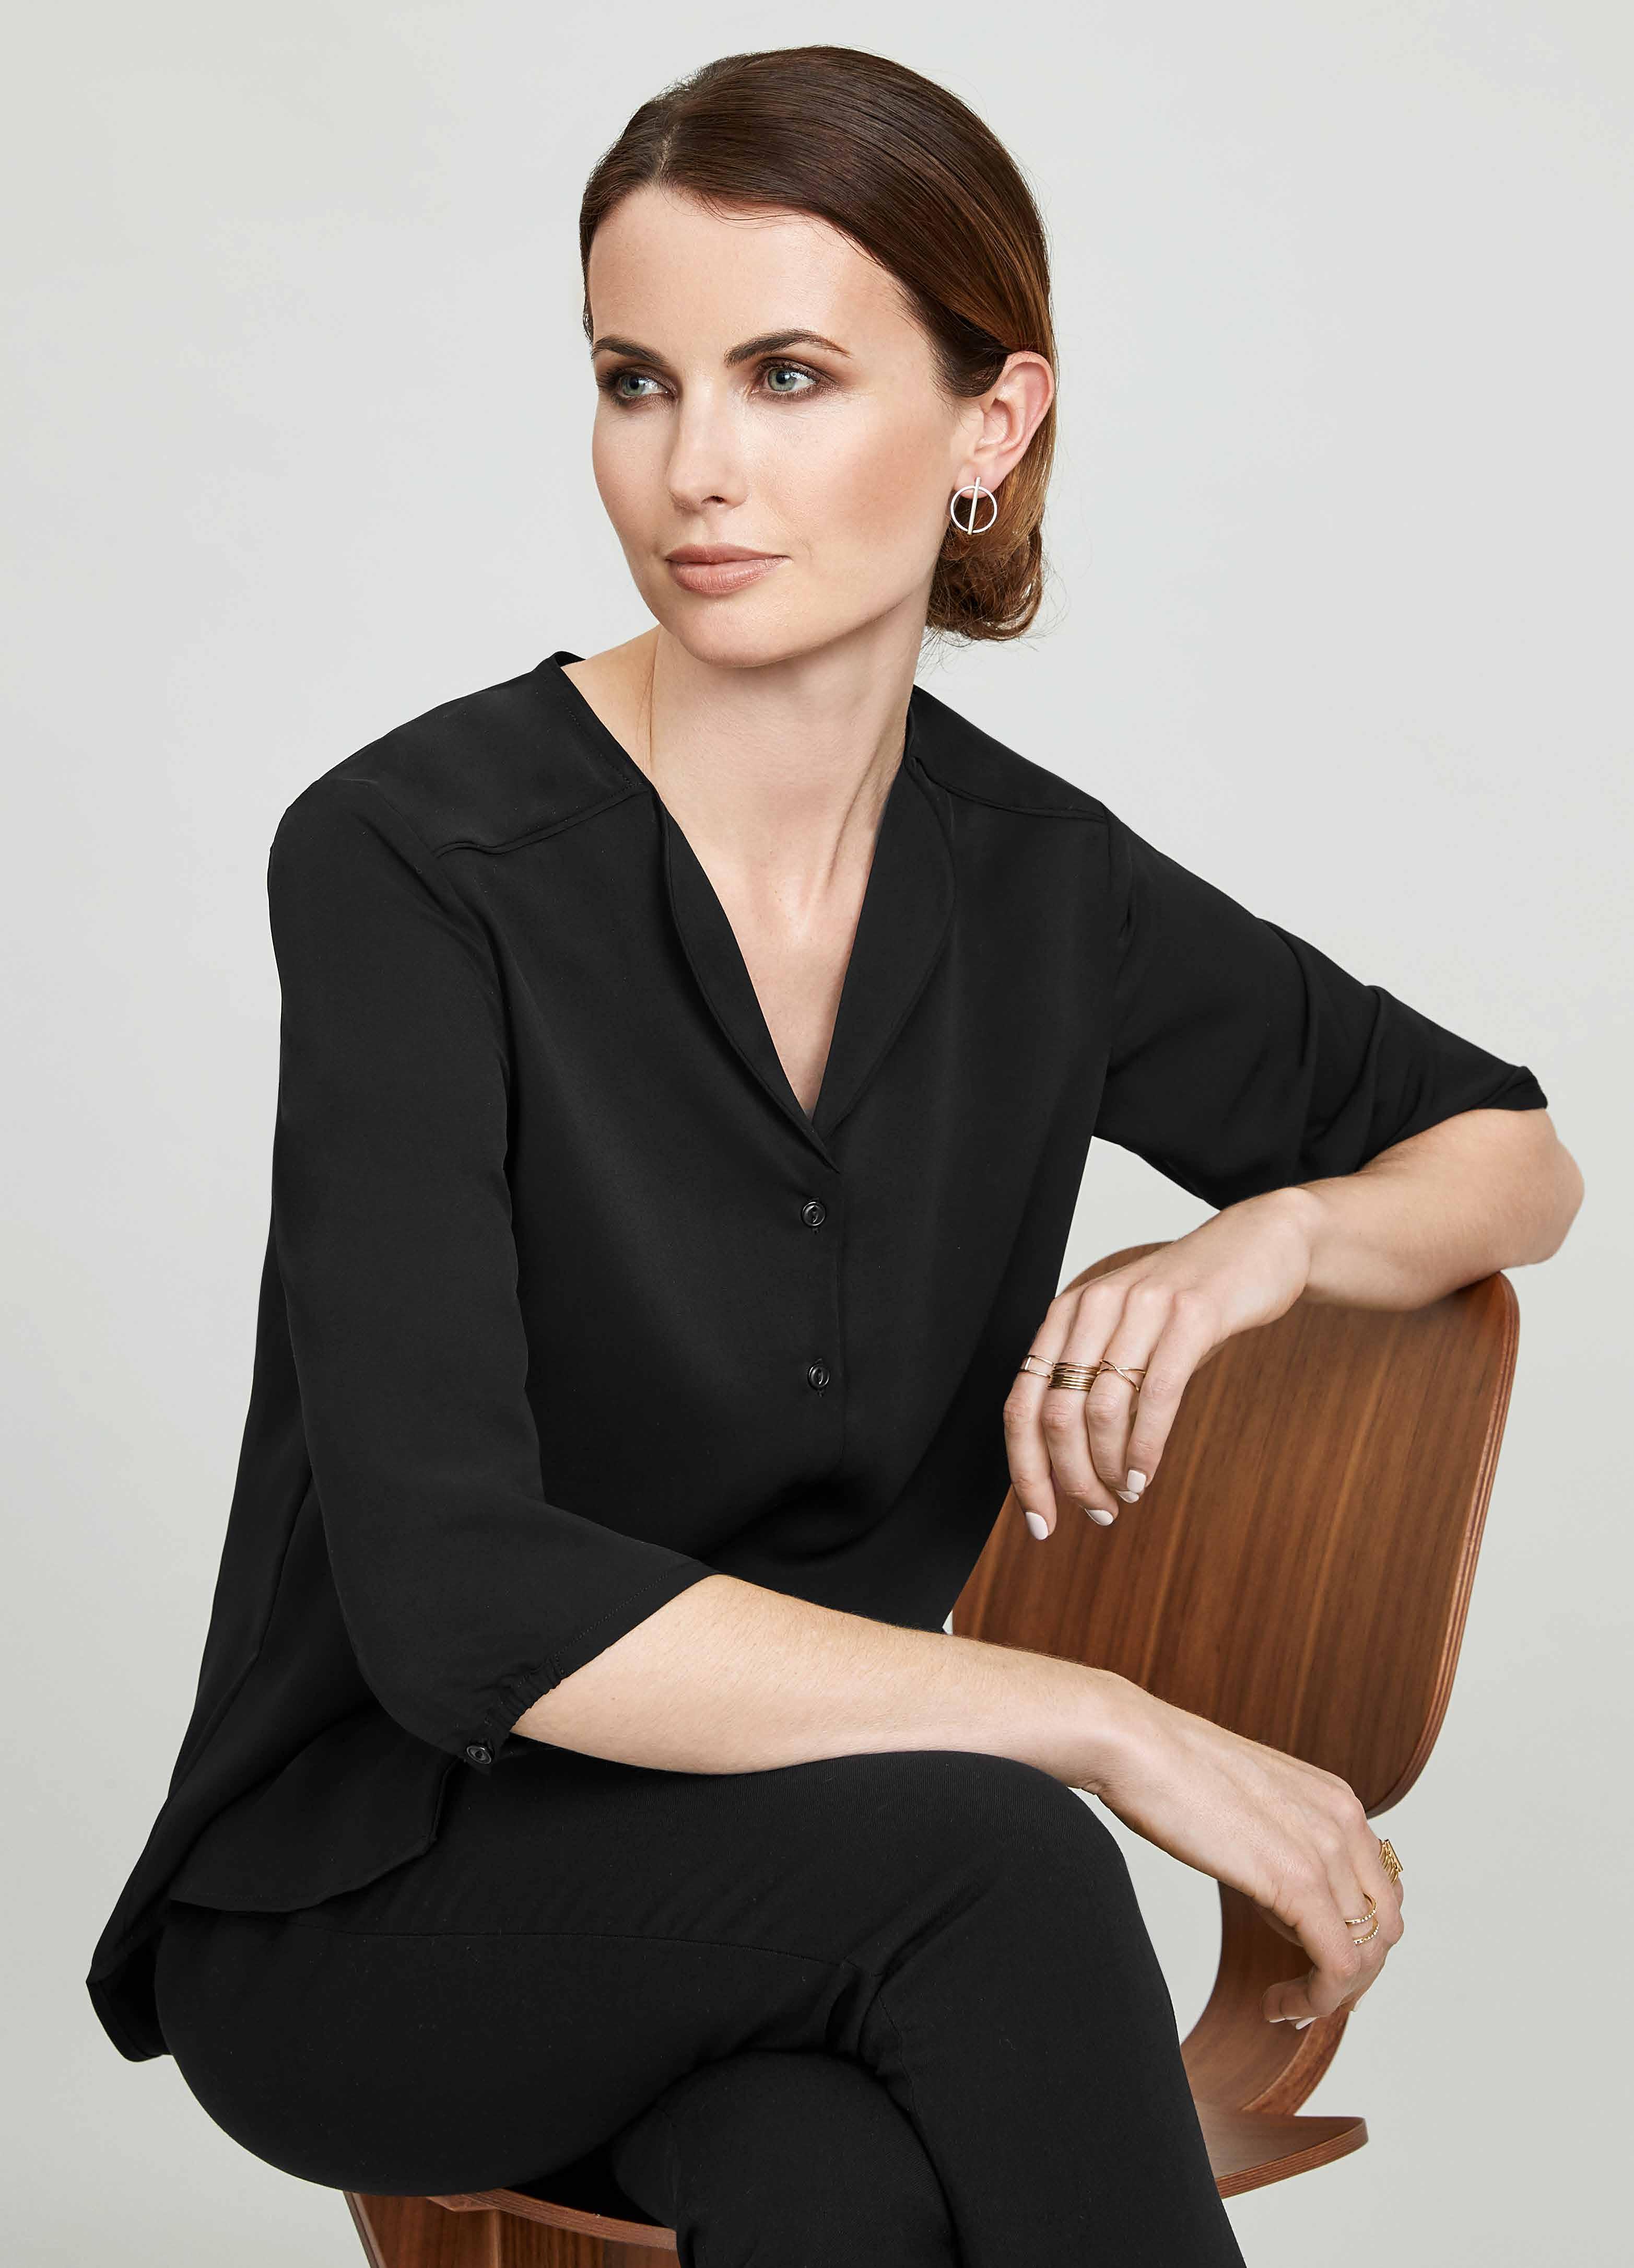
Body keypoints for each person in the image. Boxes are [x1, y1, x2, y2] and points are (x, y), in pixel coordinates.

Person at [85, 43, 1581, 2268]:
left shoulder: (1040, 890)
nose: (693, 466)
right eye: (636, 380)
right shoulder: (419, 862)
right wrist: (1100, 1725)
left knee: (832, 2186)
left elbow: (1509, 1157)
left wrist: (1270, 1240)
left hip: (787, 1899)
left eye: (786, 376)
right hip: (379, 1898)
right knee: (996, 1857)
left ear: (992, 424)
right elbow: (463, 1609)